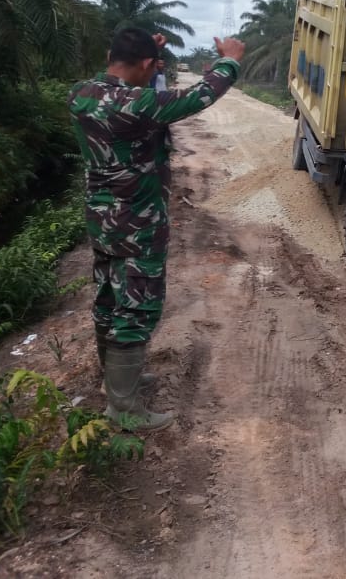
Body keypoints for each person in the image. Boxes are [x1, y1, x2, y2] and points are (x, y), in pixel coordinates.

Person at [69, 29, 244, 430]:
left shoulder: (82, 93)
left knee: (109, 298)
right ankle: (124, 408)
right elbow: (198, 95)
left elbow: (126, 81)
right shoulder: (137, 104)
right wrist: (230, 60)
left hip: (102, 219)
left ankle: (115, 383)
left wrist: (150, 53)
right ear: (146, 64)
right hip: (138, 223)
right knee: (137, 306)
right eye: (152, 67)